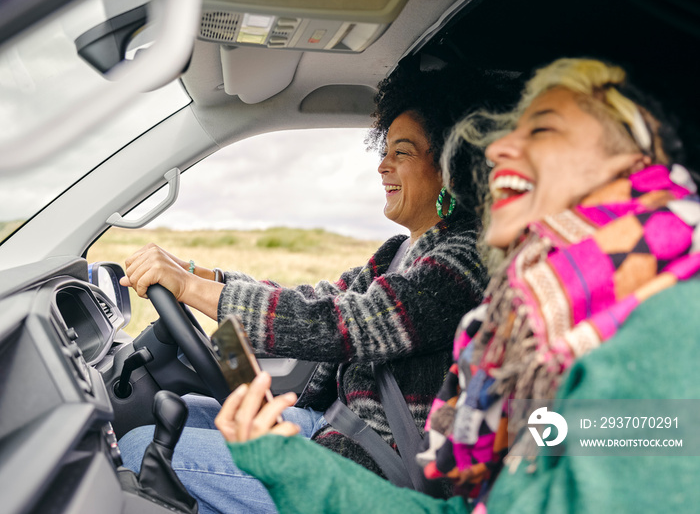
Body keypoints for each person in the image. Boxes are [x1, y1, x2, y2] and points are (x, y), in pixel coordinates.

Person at [213, 57, 700, 513]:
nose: (500, 148)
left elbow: (345, 322)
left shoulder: (669, 331)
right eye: (510, 132)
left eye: (544, 130)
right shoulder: (517, 329)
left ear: (629, 169)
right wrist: (283, 462)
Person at [118, 65, 518, 513]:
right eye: (384, 151)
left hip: (375, 469)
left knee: (141, 448)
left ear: (451, 164)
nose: (382, 165)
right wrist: (199, 274)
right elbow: (321, 298)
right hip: (332, 426)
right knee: (183, 410)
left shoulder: (467, 258)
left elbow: (346, 324)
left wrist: (190, 288)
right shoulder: (401, 250)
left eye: (401, 153)